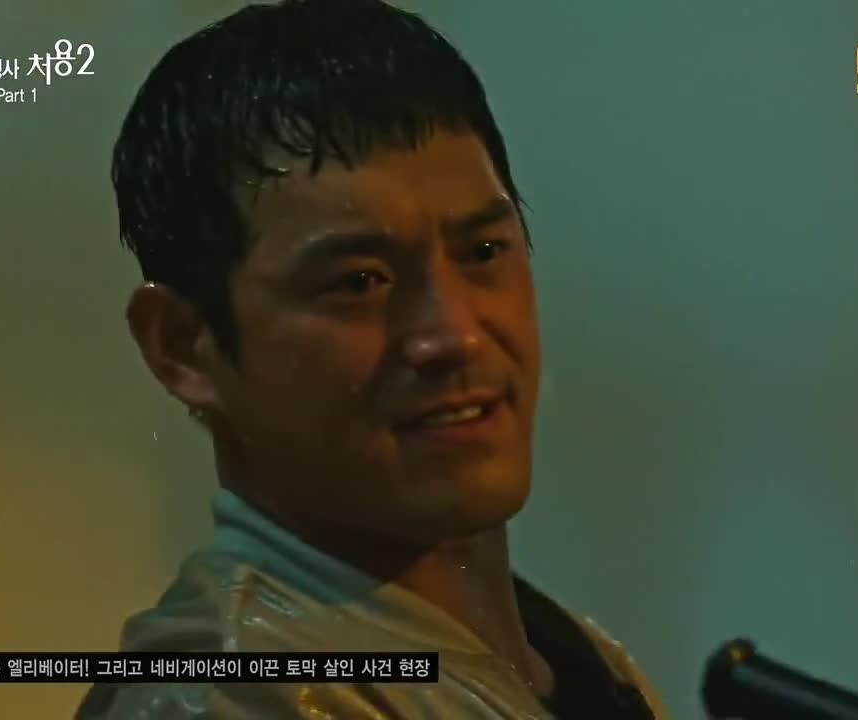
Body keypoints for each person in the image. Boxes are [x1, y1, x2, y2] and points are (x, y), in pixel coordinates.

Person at [77, 0, 666, 717]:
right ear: (183, 347)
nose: (455, 335)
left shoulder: (567, 654)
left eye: (484, 252)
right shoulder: (235, 694)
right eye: (358, 282)